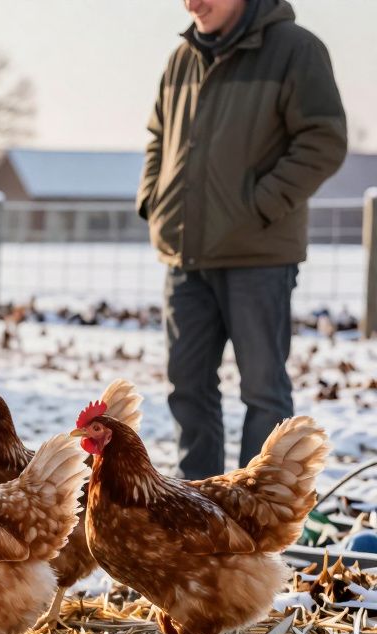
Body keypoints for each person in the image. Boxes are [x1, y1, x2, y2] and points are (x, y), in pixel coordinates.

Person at [138, 0, 347, 479]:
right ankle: (200, 512)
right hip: (185, 255)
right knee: (187, 388)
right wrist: (154, 200)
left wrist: (262, 204)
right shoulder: (182, 58)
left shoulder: (297, 50)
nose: (192, 3)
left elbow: (324, 140)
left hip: (260, 256)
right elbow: (158, 136)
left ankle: (257, 518)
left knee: (263, 390)